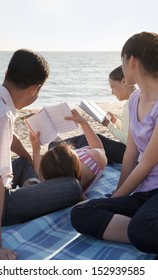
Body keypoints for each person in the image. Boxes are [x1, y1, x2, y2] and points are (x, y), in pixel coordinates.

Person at [0, 49, 82, 260]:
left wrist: (29, 156)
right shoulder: (1, 116)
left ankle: (33, 185)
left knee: (23, 161)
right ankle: (35, 187)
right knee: (72, 187)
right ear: (34, 90)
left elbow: (6, 137)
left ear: (6, 71)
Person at [71, 31, 158, 254]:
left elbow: (146, 163)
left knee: (142, 229)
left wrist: (118, 198)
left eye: (122, 60)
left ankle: (143, 232)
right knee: (81, 213)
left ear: (132, 61)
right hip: (144, 192)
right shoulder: (135, 99)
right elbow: (130, 153)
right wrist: (118, 194)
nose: (122, 65)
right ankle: (142, 233)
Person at [60, 66, 136, 164]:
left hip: (134, 155)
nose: (112, 92)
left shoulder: (130, 105)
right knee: (95, 139)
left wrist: (109, 125)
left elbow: (128, 140)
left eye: (112, 87)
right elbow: (132, 132)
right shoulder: (141, 98)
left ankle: (57, 147)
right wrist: (116, 122)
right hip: (139, 153)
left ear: (124, 81)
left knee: (91, 139)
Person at [30, 109, 107, 195]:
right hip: (85, 149)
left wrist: (35, 148)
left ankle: (56, 141)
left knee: (54, 143)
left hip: (63, 160)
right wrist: (83, 122)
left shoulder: (47, 179)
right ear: (76, 163)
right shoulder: (92, 161)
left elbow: (38, 171)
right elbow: (98, 147)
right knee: (55, 143)